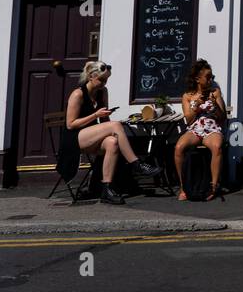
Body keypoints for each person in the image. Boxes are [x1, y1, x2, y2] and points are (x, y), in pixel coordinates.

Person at [61, 61, 161, 204]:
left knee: (112, 142)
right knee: (115, 125)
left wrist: (105, 118)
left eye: (106, 80)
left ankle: (106, 189)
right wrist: (95, 115)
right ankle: (136, 164)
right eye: (101, 80)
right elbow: (70, 125)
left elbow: (105, 122)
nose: (104, 83)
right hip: (74, 138)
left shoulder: (102, 92)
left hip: (90, 136)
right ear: (90, 76)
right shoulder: (78, 94)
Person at [173, 59, 228, 200]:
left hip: (212, 128)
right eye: (208, 77)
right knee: (179, 147)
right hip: (195, 128)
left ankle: (213, 186)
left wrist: (215, 105)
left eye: (212, 77)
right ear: (198, 79)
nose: (211, 80)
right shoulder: (187, 96)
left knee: (217, 147)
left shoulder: (215, 92)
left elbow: (222, 117)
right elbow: (189, 120)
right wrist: (196, 106)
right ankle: (183, 187)